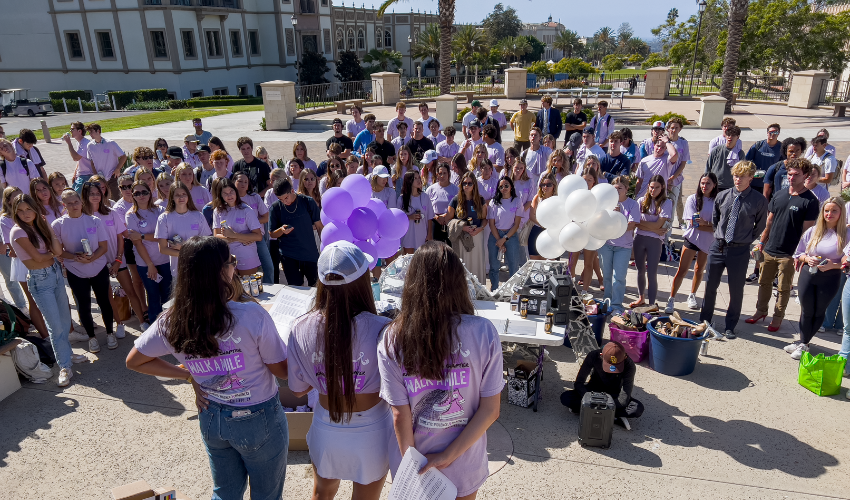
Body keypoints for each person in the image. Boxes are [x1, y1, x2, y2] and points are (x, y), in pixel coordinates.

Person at [126, 236, 289, 499]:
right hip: (258, 416)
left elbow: (134, 360)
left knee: (225, 492)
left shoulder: (171, 319)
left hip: (212, 416)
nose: (234, 267)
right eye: (231, 262)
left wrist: (189, 374)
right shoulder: (251, 315)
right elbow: (283, 372)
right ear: (222, 271)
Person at [377, 241, 503, 499]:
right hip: (464, 462)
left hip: (414, 461)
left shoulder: (391, 338)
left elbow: (400, 415)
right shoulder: (483, 332)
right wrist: (449, 455)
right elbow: (491, 410)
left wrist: (414, 469)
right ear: (459, 282)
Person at [287, 241, 396, 500]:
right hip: (373, 429)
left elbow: (298, 389)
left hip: (327, 423)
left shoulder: (299, 327)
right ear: (363, 282)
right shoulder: (385, 328)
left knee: (322, 492)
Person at [11, 194, 82, 386]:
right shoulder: (17, 232)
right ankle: (64, 366)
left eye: (29, 209)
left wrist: (48, 227)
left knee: (65, 321)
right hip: (39, 280)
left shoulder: (39, 227)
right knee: (55, 327)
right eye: (21, 210)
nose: (26, 214)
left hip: (55, 274)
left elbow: (57, 251)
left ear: (35, 209)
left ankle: (67, 356)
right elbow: (37, 258)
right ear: (15, 212)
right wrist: (50, 253)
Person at [746, 158, 819, 331]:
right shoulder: (779, 195)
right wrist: (761, 243)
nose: (791, 177)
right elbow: (769, 222)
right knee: (763, 283)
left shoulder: (810, 201)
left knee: (783, 288)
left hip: (789, 253)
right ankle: (760, 312)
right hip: (770, 249)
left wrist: (799, 255)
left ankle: (777, 318)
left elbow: (806, 233)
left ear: (806, 176)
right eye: (790, 174)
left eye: (796, 174)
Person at [700, 161, 768, 339]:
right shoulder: (723, 196)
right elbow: (716, 219)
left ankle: (730, 325)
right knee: (710, 287)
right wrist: (719, 235)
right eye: (736, 176)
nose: (738, 179)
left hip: (739, 250)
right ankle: (704, 321)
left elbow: (760, 226)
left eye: (742, 176)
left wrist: (745, 239)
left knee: (735, 290)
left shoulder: (759, 200)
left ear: (750, 178)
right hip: (718, 246)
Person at [52, 189, 115, 352]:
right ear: (63, 205)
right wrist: (74, 257)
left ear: (81, 202)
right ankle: (92, 337)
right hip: (75, 270)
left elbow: (103, 246)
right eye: (69, 203)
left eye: (76, 202)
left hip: (98, 267)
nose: (74, 205)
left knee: (104, 302)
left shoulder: (94, 221)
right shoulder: (58, 225)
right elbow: (58, 251)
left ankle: (110, 333)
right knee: (83, 305)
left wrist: (92, 258)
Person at [787, 198, 849, 360]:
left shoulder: (846, 234)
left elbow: (847, 261)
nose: (829, 214)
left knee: (819, 311)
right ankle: (803, 343)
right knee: (806, 310)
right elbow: (798, 253)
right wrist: (807, 259)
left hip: (830, 277)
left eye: (834, 210)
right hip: (808, 273)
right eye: (826, 210)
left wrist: (833, 265)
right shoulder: (813, 230)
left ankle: (803, 342)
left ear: (841, 212)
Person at [82, 180, 144, 339]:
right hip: (97, 263)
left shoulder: (111, 212)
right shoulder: (82, 216)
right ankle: (119, 324)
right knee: (108, 296)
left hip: (117, 259)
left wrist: (117, 260)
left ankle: (143, 322)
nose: (95, 196)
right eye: (91, 194)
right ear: (85, 195)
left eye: (97, 193)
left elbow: (120, 237)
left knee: (130, 291)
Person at [560, 341, 643, 429]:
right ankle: (612, 416)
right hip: (593, 391)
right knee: (565, 398)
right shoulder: (593, 356)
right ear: (601, 355)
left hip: (614, 395)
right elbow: (579, 382)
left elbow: (624, 397)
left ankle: (587, 410)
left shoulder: (629, 365)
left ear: (625, 357)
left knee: (637, 409)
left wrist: (603, 404)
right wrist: (590, 398)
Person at [665, 173, 718, 313]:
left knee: (699, 270)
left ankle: (692, 295)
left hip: (708, 241)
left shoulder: (717, 201)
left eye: (708, 183)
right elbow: (695, 225)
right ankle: (671, 299)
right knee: (682, 270)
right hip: (692, 239)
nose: (704, 186)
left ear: (714, 185)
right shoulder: (692, 199)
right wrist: (710, 225)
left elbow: (718, 226)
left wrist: (706, 223)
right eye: (702, 183)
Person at [0, 187, 44, 335]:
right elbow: (12, 247)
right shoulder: (5, 219)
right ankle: (43, 333)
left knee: (43, 297)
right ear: (8, 201)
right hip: (23, 262)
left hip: (39, 259)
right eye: (16, 196)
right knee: (32, 299)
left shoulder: (31, 214)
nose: (21, 198)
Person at [126, 181, 171, 323]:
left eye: (144, 192)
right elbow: (137, 243)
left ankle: (170, 324)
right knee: (152, 296)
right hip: (145, 263)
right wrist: (150, 264)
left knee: (167, 296)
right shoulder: (131, 215)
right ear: (133, 196)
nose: (141, 195)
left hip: (164, 259)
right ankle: (155, 328)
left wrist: (143, 236)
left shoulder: (159, 210)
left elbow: (163, 235)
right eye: (137, 193)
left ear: (150, 193)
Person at [269, 178, 323, 286]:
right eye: (280, 199)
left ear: (292, 191)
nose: (284, 202)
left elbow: (319, 226)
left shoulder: (307, 202)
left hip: (310, 254)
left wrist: (324, 247)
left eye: (286, 198)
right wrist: (281, 230)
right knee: (296, 289)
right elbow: (272, 233)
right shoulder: (275, 208)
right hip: (289, 256)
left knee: (317, 287)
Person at [155, 179, 213, 278]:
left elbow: (206, 243)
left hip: (198, 266)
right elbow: (163, 249)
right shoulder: (164, 218)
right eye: (177, 195)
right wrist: (186, 252)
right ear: (172, 197)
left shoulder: (198, 215)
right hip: (178, 270)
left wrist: (184, 247)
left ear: (188, 196)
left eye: (184, 194)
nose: (181, 197)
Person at [599, 176, 639, 314]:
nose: (617, 191)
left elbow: (631, 226)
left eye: (620, 188)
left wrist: (619, 215)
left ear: (627, 189)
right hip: (606, 244)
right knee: (607, 276)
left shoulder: (633, 204)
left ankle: (617, 305)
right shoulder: (606, 203)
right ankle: (607, 301)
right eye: (614, 188)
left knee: (619, 277)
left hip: (623, 246)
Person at [113, 174, 149, 327]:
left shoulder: (141, 198)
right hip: (130, 246)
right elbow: (127, 233)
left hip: (147, 243)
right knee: (137, 279)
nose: (127, 189)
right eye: (123, 187)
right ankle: (143, 307)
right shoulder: (118, 208)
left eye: (130, 186)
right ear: (119, 189)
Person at [630, 175, 671, 308]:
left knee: (652, 272)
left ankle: (652, 304)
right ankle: (641, 298)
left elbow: (658, 225)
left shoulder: (666, 202)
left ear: (662, 187)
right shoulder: (641, 200)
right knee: (640, 270)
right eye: (651, 187)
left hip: (655, 241)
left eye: (657, 187)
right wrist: (653, 227)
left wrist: (643, 224)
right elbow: (635, 223)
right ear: (648, 187)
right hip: (639, 238)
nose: (653, 190)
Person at [212, 177, 262, 278]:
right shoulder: (217, 211)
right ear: (220, 195)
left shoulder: (246, 210)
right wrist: (238, 238)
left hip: (247, 255)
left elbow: (258, 236)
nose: (229, 195)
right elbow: (216, 236)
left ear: (236, 192)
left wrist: (233, 235)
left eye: (231, 191)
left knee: (249, 289)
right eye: (225, 193)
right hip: (227, 257)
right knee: (232, 290)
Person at [447, 171, 488, 282]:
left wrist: (480, 229)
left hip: (477, 235)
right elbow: (449, 220)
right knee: (464, 264)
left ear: (474, 184)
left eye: (470, 183)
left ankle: (478, 290)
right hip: (462, 236)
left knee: (476, 263)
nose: (467, 185)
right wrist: (462, 227)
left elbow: (485, 219)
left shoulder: (480, 200)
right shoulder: (455, 200)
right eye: (464, 183)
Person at [487, 176, 522, 291]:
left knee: (513, 266)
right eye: (501, 186)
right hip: (495, 235)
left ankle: (512, 292)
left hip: (510, 236)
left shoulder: (517, 201)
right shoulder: (493, 202)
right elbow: (491, 224)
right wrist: (499, 241)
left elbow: (516, 224)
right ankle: (495, 290)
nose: (504, 188)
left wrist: (504, 239)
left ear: (511, 187)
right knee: (494, 267)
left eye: (506, 185)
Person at [85, 124, 126, 201]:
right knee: (103, 200)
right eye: (89, 132)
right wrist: (95, 175)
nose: (90, 134)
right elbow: (92, 161)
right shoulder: (90, 146)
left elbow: (123, 156)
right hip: (100, 179)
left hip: (112, 177)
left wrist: (117, 169)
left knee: (116, 199)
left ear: (98, 131)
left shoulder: (111, 143)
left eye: (92, 132)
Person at [397, 171, 433, 254]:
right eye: (415, 178)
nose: (418, 180)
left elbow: (429, 217)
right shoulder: (401, 199)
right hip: (408, 236)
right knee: (409, 261)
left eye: (419, 177)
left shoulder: (425, 197)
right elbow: (398, 219)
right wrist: (410, 217)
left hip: (422, 235)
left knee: (422, 261)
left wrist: (429, 234)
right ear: (409, 181)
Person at [634, 135, 679, 199]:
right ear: (654, 145)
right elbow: (639, 181)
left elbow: (674, 154)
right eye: (658, 146)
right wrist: (636, 197)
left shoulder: (667, 160)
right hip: (644, 197)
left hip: (660, 198)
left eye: (663, 147)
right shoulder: (644, 161)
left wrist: (667, 142)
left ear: (666, 148)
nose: (659, 148)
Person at [425, 163, 459, 245]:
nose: (442, 176)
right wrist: (436, 217)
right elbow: (426, 207)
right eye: (440, 173)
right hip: (435, 221)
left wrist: (446, 216)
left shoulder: (455, 190)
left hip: (451, 222)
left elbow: (459, 207)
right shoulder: (431, 189)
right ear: (437, 175)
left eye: (444, 173)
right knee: (436, 248)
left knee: (450, 249)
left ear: (449, 174)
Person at [528, 171, 558, 261]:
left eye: (548, 184)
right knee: (535, 263)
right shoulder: (537, 197)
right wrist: (541, 224)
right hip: (537, 231)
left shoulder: (557, 200)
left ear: (554, 185)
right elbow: (531, 215)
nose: (545, 187)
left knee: (549, 263)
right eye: (543, 184)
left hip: (551, 233)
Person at [745, 123, 782, 195]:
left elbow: (783, 165)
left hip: (770, 183)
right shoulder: (758, 145)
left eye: (775, 132)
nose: (773, 134)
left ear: (778, 134)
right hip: (755, 182)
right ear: (767, 133)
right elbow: (746, 161)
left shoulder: (781, 148)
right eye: (771, 132)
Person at [704, 125, 742, 192]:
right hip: (715, 185)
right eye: (728, 135)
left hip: (731, 186)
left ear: (737, 137)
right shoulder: (716, 150)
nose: (730, 137)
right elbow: (708, 167)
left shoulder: (740, 153)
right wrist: (707, 182)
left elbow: (742, 172)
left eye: (733, 135)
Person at [62, 122, 94, 192]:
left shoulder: (85, 143)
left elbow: (76, 158)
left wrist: (69, 143)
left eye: (73, 129)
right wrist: (75, 174)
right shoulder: (79, 143)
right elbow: (79, 161)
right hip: (81, 175)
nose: (70, 131)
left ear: (79, 131)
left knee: (76, 197)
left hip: (87, 175)